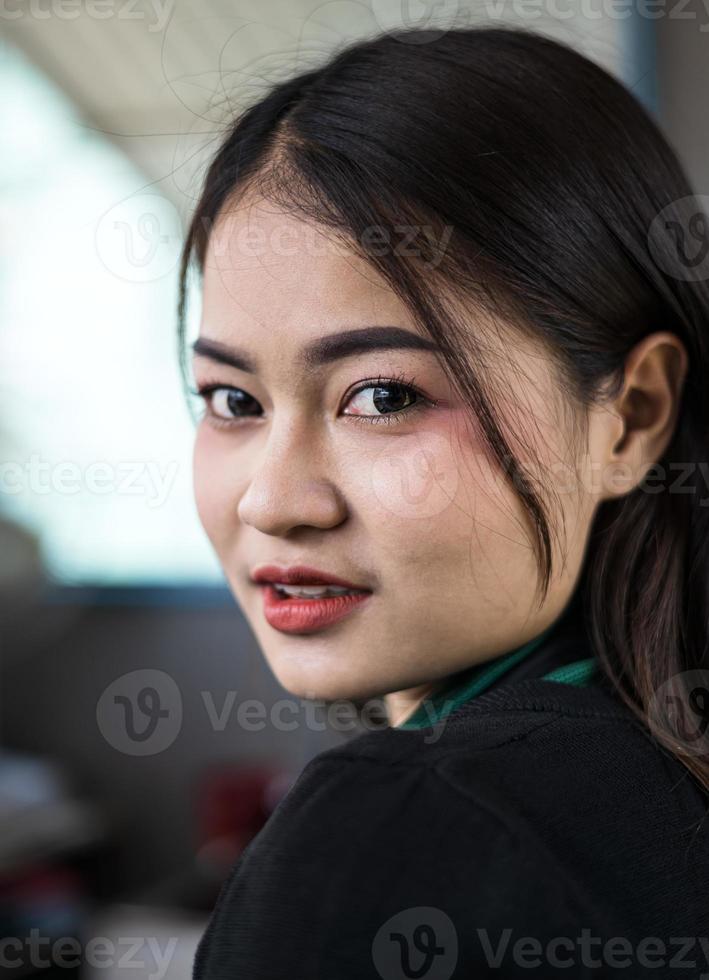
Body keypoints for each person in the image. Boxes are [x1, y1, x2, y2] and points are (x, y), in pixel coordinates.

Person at [179, 25, 709, 978]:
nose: (273, 499)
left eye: (384, 397)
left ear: (631, 417)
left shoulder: (405, 826)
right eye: (233, 401)